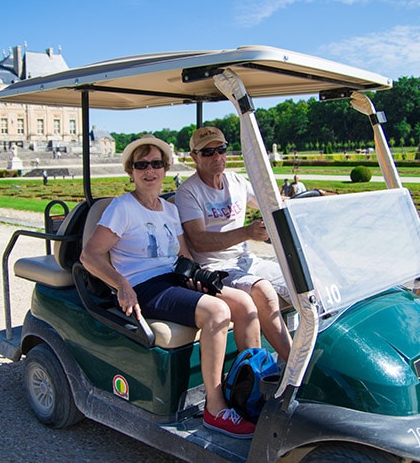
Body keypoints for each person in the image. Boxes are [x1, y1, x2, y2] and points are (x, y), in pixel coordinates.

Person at [80, 135, 260, 438]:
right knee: (217, 312)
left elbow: (183, 255)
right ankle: (215, 409)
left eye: (156, 164)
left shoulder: (169, 209)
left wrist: (197, 277)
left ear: (165, 168)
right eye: (141, 165)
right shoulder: (122, 208)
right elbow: (90, 255)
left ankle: (252, 388)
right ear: (131, 171)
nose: (149, 171)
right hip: (143, 286)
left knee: (244, 303)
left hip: (173, 279)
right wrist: (121, 284)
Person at [176, 127, 293, 361]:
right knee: (264, 292)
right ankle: (292, 369)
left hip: (246, 261)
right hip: (214, 268)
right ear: (194, 157)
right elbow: (199, 241)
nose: (217, 157)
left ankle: (311, 356)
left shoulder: (236, 181)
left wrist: (293, 203)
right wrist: (248, 232)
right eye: (208, 152)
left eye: (221, 149)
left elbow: (267, 202)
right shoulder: (188, 192)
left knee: (304, 282)